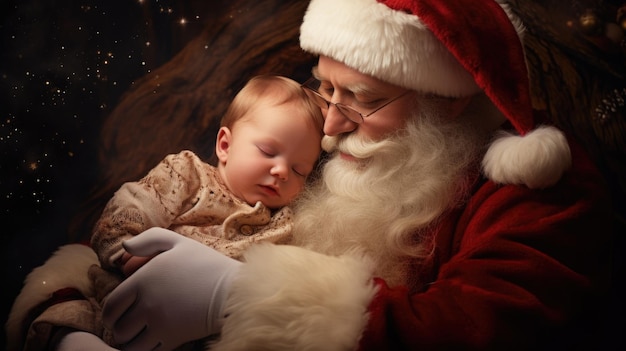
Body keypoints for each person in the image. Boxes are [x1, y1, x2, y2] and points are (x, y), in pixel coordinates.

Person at [9, 0, 614, 350]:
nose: (327, 128)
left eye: (361, 97)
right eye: (323, 87)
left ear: (448, 99)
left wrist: (237, 297)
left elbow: (482, 331)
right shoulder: (358, 158)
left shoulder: (540, 192)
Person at [6, 75, 324, 351]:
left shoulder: (285, 223)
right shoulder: (187, 175)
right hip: (126, 299)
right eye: (268, 152)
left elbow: (282, 282)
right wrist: (131, 258)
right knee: (68, 319)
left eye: (299, 170)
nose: (282, 171)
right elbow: (125, 211)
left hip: (203, 330)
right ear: (225, 145)